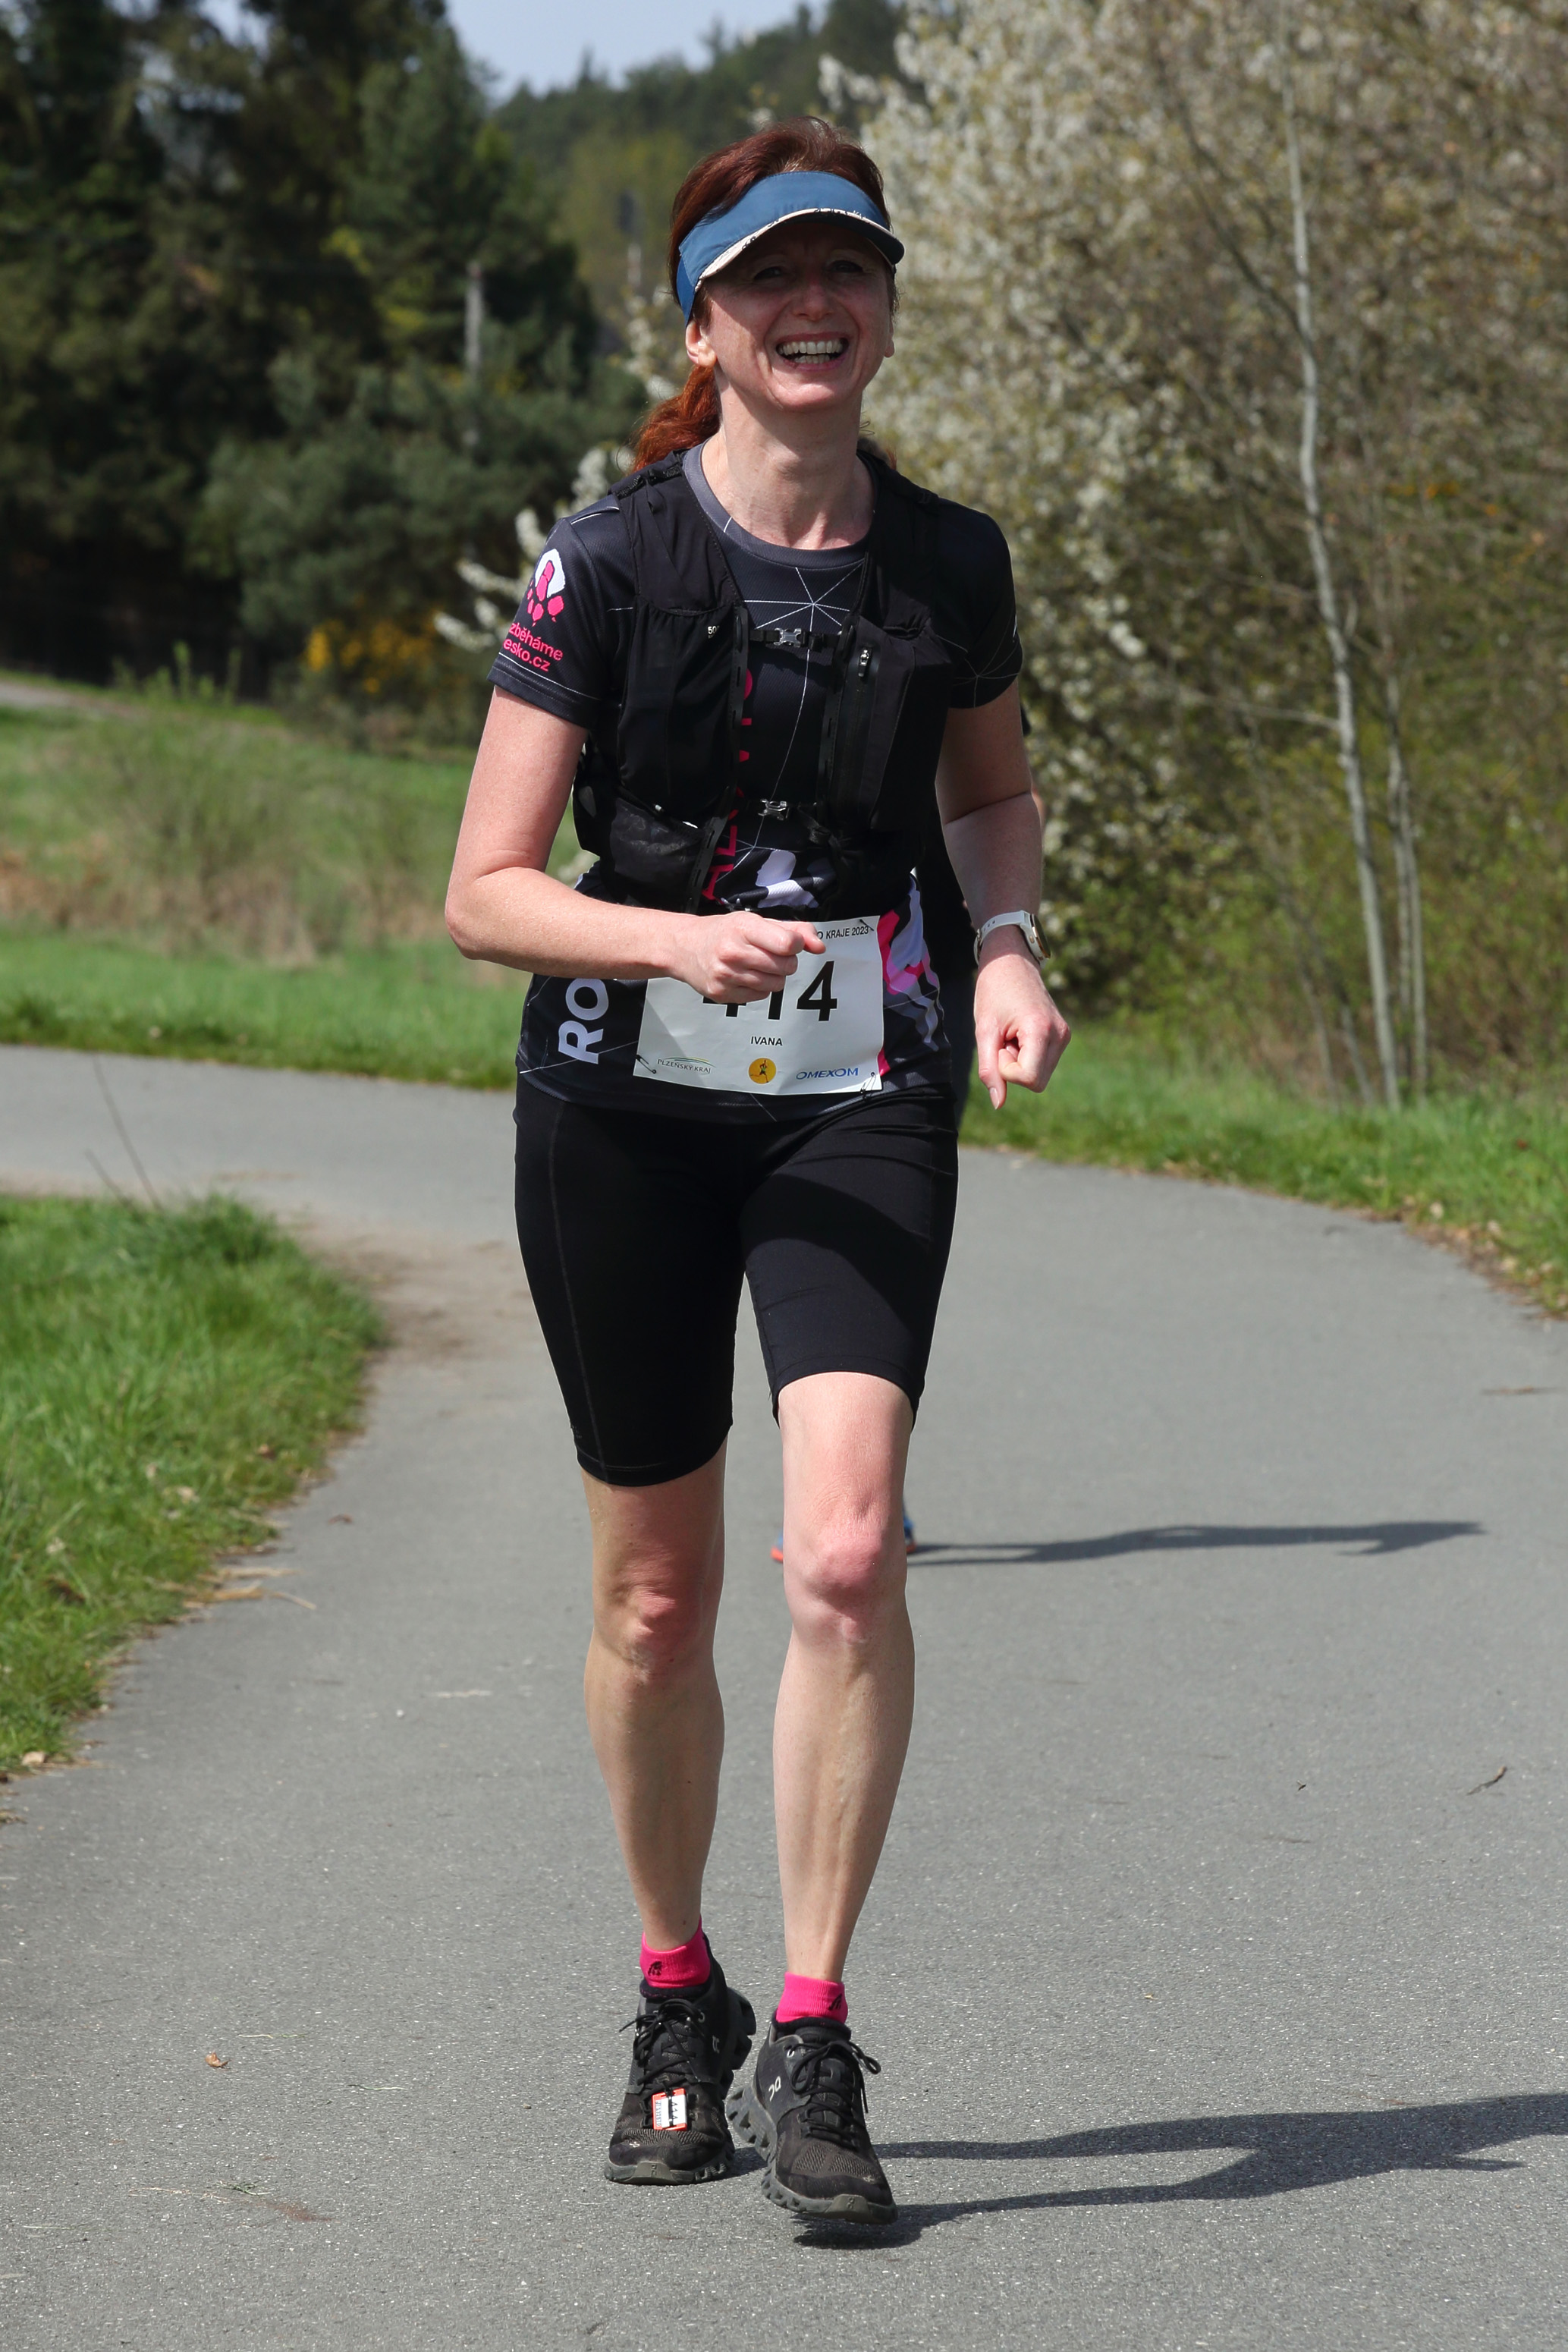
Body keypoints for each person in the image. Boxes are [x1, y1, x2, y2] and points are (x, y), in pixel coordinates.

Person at [445, 117, 1070, 2228]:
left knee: (845, 1552)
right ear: (702, 326)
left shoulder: (948, 562)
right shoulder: (608, 565)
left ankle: (812, 2028)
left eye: (848, 271)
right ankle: (674, 1992)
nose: (817, 308)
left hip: (856, 1094)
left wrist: (1004, 947)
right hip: (620, 1107)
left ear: (882, 307)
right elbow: (485, 891)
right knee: (654, 1594)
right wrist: (659, 939)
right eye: (770, 278)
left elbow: (988, 801)